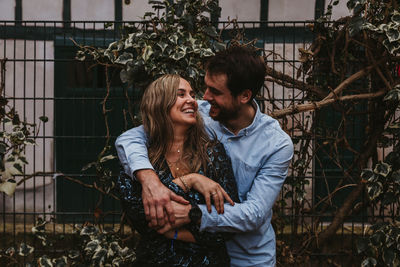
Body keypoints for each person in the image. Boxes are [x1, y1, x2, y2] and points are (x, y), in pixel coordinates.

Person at [116, 45, 294, 266]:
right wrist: (149, 179)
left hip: (249, 257)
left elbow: (254, 213)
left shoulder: (276, 144)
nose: (205, 97)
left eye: (216, 92)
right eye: (206, 87)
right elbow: (129, 139)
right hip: (193, 250)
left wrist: (193, 214)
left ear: (244, 96)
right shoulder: (199, 112)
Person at [117, 74, 240, 266]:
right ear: (160, 103)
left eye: (191, 94)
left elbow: (228, 226)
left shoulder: (212, 152)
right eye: (181, 94)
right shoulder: (140, 159)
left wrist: (173, 232)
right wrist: (188, 180)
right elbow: (142, 219)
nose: (192, 100)